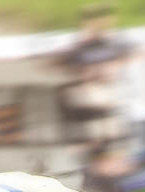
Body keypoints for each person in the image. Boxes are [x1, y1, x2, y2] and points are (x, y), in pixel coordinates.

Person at [57, 4, 133, 143]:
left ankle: (92, 11)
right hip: (99, 71)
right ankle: (93, 11)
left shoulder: (84, 51)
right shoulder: (110, 47)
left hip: (96, 71)